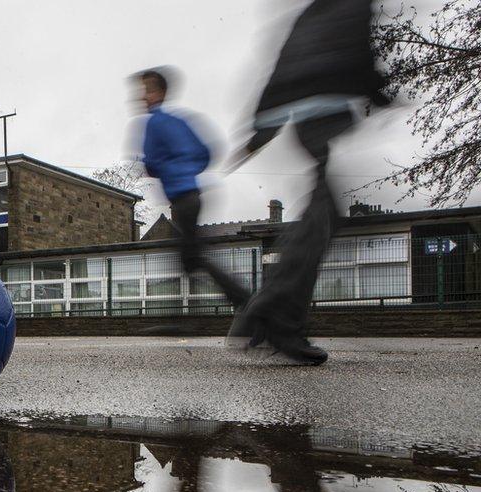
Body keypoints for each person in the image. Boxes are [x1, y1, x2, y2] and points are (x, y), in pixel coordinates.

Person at [227, 0, 390, 364]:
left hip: (296, 112)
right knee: (324, 212)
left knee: (324, 210)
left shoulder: (311, 11)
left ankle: (272, 310)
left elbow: (280, 64)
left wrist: (258, 130)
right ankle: (273, 311)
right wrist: (380, 93)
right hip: (322, 107)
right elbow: (358, 52)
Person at [136, 69, 250, 310]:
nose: (141, 97)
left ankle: (245, 300)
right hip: (193, 197)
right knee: (187, 258)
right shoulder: (180, 122)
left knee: (193, 257)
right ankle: (183, 318)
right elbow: (207, 152)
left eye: (145, 91)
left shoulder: (154, 122)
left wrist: (168, 169)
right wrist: (186, 168)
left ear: (159, 93)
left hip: (182, 199)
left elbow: (150, 164)